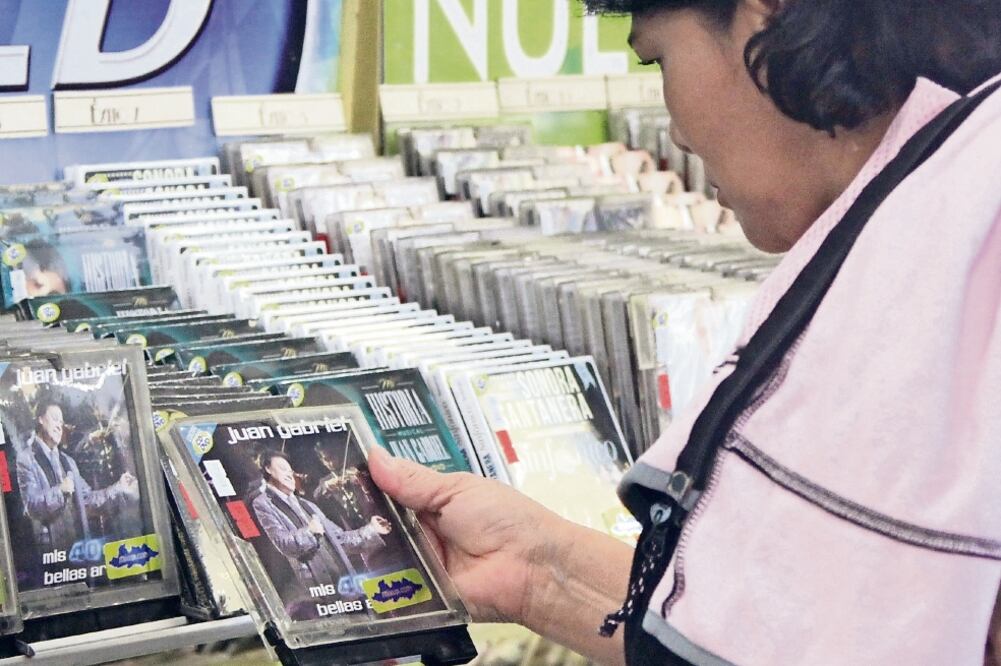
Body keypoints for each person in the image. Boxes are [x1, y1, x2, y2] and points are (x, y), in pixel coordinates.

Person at [369, 1, 1001, 664]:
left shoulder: (965, 253)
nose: (677, 135)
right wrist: (540, 573)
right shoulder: (934, 223)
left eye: (658, 60)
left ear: (763, 14)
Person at [251, 450, 392, 598]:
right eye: (283, 469)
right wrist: (309, 532)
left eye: (291, 471)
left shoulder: (308, 505)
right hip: (317, 592)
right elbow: (284, 545)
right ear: (268, 469)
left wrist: (372, 529)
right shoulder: (262, 503)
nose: (290, 475)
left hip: (346, 586)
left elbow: (341, 540)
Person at [16, 398, 140, 554]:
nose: (59, 426)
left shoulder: (68, 462)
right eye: (55, 418)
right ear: (40, 419)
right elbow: (31, 507)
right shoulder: (26, 459)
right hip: (49, 555)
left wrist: (119, 488)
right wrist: (60, 491)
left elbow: (88, 500)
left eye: (61, 422)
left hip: (78, 551)